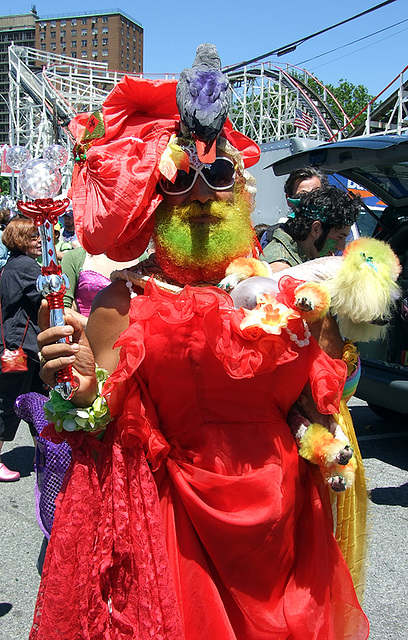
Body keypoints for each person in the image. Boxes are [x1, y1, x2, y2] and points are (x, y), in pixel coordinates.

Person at [32, 45, 369, 640]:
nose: (200, 197)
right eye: (179, 179)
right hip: (171, 534)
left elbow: (324, 406)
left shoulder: (287, 296)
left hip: (278, 525)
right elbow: (96, 430)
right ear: (155, 199)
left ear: (239, 192)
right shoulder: (124, 301)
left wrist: (326, 340)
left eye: (217, 178)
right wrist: (80, 388)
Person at [0, 216, 45, 481]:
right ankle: (44, 455)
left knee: (32, 402)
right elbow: (46, 296)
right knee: (13, 403)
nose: (39, 240)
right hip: (22, 346)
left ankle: (44, 454)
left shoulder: (11, 265)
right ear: (20, 240)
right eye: (33, 236)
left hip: (17, 343)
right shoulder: (28, 266)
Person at [262, 185, 360, 271]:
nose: (341, 247)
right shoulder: (281, 268)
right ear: (316, 229)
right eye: (339, 237)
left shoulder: (303, 256)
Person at [61, 247, 140, 326]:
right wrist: (96, 328)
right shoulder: (74, 257)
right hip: (87, 335)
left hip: (135, 333)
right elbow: (63, 308)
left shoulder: (141, 258)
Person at [260, 166, 329, 248]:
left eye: (316, 194)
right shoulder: (272, 236)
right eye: (303, 195)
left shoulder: (333, 235)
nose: (310, 200)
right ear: (289, 200)